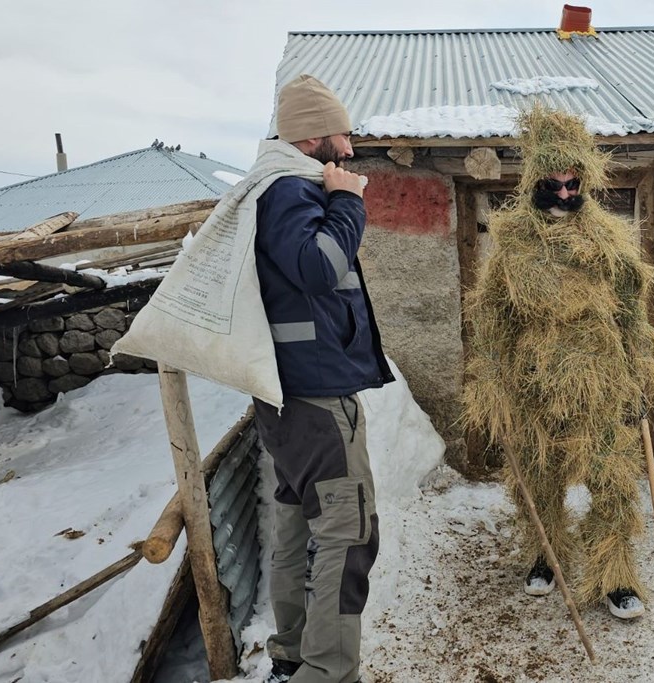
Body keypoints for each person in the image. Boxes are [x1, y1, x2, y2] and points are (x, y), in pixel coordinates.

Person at [462, 105, 654, 619]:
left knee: (613, 482)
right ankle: (544, 557)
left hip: (599, 385)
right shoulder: (511, 247)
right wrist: (491, 382)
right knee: (538, 478)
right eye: (553, 183)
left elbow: (630, 316)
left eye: (573, 183)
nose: (565, 193)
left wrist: (640, 372)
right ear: (534, 180)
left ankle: (615, 576)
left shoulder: (609, 244)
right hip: (531, 385)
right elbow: (492, 322)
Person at [251, 74, 394, 683]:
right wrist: (348, 202)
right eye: (343, 133)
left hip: (290, 398)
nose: (351, 148)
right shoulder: (289, 190)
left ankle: (289, 655)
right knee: (346, 532)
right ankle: (329, 672)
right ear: (313, 136)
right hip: (314, 399)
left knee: (296, 522)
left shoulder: (278, 187)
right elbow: (317, 267)